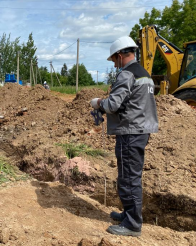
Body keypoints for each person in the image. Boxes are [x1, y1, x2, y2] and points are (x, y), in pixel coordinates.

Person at [90, 36, 158, 237]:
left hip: (130, 132)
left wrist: (98, 103)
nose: (114, 64)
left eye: (113, 60)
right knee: (131, 176)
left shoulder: (127, 75)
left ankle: (132, 224)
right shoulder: (144, 74)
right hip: (141, 129)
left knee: (128, 179)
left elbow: (113, 105)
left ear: (120, 56)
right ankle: (129, 214)